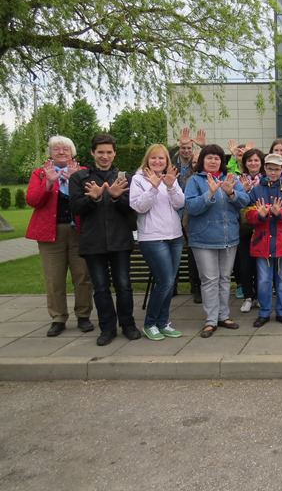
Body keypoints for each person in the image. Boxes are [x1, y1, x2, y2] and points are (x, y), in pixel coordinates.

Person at [68, 133, 140, 346]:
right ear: (92, 153)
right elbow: (75, 208)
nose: (105, 156)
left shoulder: (124, 178)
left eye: (109, 152)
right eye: (100, 152)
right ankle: (107, 328)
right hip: (94, 241)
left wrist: (117, 196)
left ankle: (128, 325)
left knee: (124, 286)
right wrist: (94, 197)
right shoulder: (79, 178)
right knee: (100, 287)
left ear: (114, 153)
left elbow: (132, 209)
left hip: (120, 240)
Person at [26, 136, 94, 337]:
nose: (61, 152)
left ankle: (83, 315)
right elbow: (32, 200)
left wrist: (75, 181)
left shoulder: (83, 173)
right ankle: (58, 318)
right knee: (54, 279)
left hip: (79, 232)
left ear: (72, 152)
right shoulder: (40, 173)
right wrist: (48, 183)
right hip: (50, 232)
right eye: (56, 149)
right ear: (50, 152)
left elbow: (91, 200)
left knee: (82, 276)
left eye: (65, 149)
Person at [184, 144, 249, 338]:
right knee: (209, 280)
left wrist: (231, 192)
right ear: (203, 159)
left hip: (229, 238)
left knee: (224, 279)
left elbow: (244, 201)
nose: (213, 161)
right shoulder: (194, 181)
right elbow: (191, 207)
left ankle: (224, 316)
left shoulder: (230, 179)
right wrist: (209, 193)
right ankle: (211, 320)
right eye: (209, 157)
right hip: (203, 239)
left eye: (217, 158)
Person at [129, 144, 185, 341]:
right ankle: (150, 323)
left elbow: (180, 203)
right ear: (147, 159)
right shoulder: (138, 179)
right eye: (153, 158)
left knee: (169, 284)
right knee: (165, 282)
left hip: (175, 237)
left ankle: (163, 323)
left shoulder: (169, 177)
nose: (157, 162)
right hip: (152, 238)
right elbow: (138, 206)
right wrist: (153, 187)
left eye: (161, 158)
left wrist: (170, 186)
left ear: (167, 161)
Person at [247, 153, 282, 327]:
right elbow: (248, 215)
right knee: (263, 280)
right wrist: (259, 215)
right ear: (264, 168)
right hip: (262, 243)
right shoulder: (255, 190)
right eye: (269, 168)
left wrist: (280, 213)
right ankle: (263, 313)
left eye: (276, 169)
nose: (272, 172)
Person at [170, 127, 205, 304]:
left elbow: (212, 158)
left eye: (188, 148)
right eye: (183, 148)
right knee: (173, 250)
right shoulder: (173, 166)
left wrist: (202, 147)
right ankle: (172, 285)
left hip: (192, 217)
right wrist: (177, 144)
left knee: (193, 253)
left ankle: (196, 287)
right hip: (174, 215)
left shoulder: (197, 171)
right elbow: (160, 157)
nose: (186, 151)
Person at [236, 148, 265, 313]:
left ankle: (260, 296)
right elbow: (235, 203)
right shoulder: (237, 180)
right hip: (244, 229)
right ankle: (248, 296)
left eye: (256, 160)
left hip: (262, 227)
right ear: (245, 163)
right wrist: (244, 190)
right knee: (245, 264)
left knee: (261, 265)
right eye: (250, 161)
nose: (253, 163)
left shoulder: (266, 179)